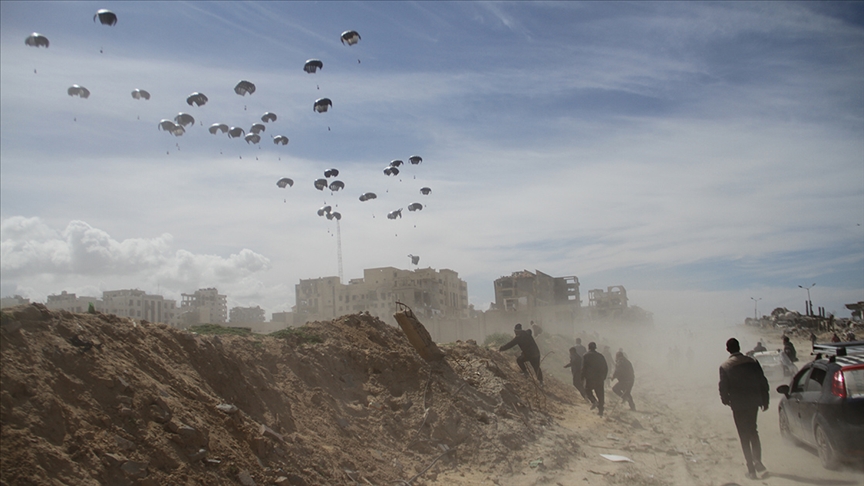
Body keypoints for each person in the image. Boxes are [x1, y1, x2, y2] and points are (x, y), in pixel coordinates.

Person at [719, 338, 769, 480]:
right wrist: (765, 399)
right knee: (753, 430)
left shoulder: (725, 366)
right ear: (739, 347)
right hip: (753, 402)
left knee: (743, 435)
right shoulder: (752, 362)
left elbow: (723, 388)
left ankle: (751, 469)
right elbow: (762, 381)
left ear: (728, 349)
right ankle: (758, 460)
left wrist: (726, 401)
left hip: (738, 404)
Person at [581, 342, 608, 416]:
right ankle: (601, 411)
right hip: (599, 378)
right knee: (600, 394)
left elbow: (583, 368)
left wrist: (582, 377)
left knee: (587, 390)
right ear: (595, 348)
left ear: (588, 347)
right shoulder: (600, 356)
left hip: (590, 378)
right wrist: (604, 377)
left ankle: (594, 401)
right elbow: (605, 367)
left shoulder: (585, 356)